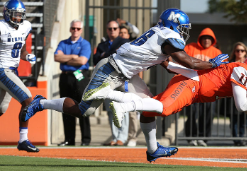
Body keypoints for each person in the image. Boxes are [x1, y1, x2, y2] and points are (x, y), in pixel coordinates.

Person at [21, 8, 226, 161]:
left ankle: (153, 148)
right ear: (172, 25)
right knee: (84, 111)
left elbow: (169, 65)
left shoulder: (158, 35)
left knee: (148, 105)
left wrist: (194, 71)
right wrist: (211, 64)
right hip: (110, 72)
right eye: (181, 28)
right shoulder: (167, 36)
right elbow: (188, 61)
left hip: (123, 74)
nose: (183, 32)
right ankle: (41, 103)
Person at [110, 52, 247, 155]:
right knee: (164, 109)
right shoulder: (243, 71)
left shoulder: (242, 73)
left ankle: (152, 149)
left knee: (149, 110)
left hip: (193, 86)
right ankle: (123, 106)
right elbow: (242, 106)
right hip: (192, 85)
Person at [0, 0, 38, 152]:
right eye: (15, 15)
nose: (18, 18)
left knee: (1, 109)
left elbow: (21, 50)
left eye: (20, 15)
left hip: (12, 70)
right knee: (28, 101)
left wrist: (27, 57)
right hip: (2, 69)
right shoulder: (1, 27)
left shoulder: (25, 26)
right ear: (7, 14)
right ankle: (23, 139)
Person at [54, 19, 92, 146]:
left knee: (83, 106)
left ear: (81, 30)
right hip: (65, 77)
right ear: (70, 29)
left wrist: (65, 58)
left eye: (78, 28)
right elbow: (56, 57)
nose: (75, 31)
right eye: (73, 28)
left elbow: (82, 61)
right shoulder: (63, 43)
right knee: (66, 106)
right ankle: (69, 139)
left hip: (79, 75)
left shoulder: (85, 44)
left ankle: (85, 140)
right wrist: (73, 57)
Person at [93, 20, 130, 146]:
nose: (112, 31)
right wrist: (111, 53)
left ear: (118, 29)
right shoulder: (102, 44)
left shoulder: (125, 42)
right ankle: (115, 136)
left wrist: (106, 55)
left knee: (123, 108)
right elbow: (96, 60)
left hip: (120, 78)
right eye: (110, 29)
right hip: (106, 80)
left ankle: (122, 137)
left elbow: (122, 57)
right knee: (110, 109)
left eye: (114, 28)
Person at [183, 27, 222, 146]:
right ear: (200, 39)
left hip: (209, 88)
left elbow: (221, 70)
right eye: (204, 38)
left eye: (209, 38)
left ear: (213, 40)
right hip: (192, 85)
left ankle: (203, 137)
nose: (206, 40)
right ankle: (191, 137)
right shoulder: (190, 48)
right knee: (192, 112)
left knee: (208, 113)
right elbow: (182, 62)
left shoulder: (216, 52)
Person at [227, 42, 247, 146]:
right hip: (232, 94)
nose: (240, 52)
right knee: (234, 119)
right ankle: (236, 139)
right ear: (234, 52)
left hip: (246, 94)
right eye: (237, 50)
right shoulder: (230, 63)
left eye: (242, 50)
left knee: (244, 118)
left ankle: (241, 137)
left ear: (246, 52)